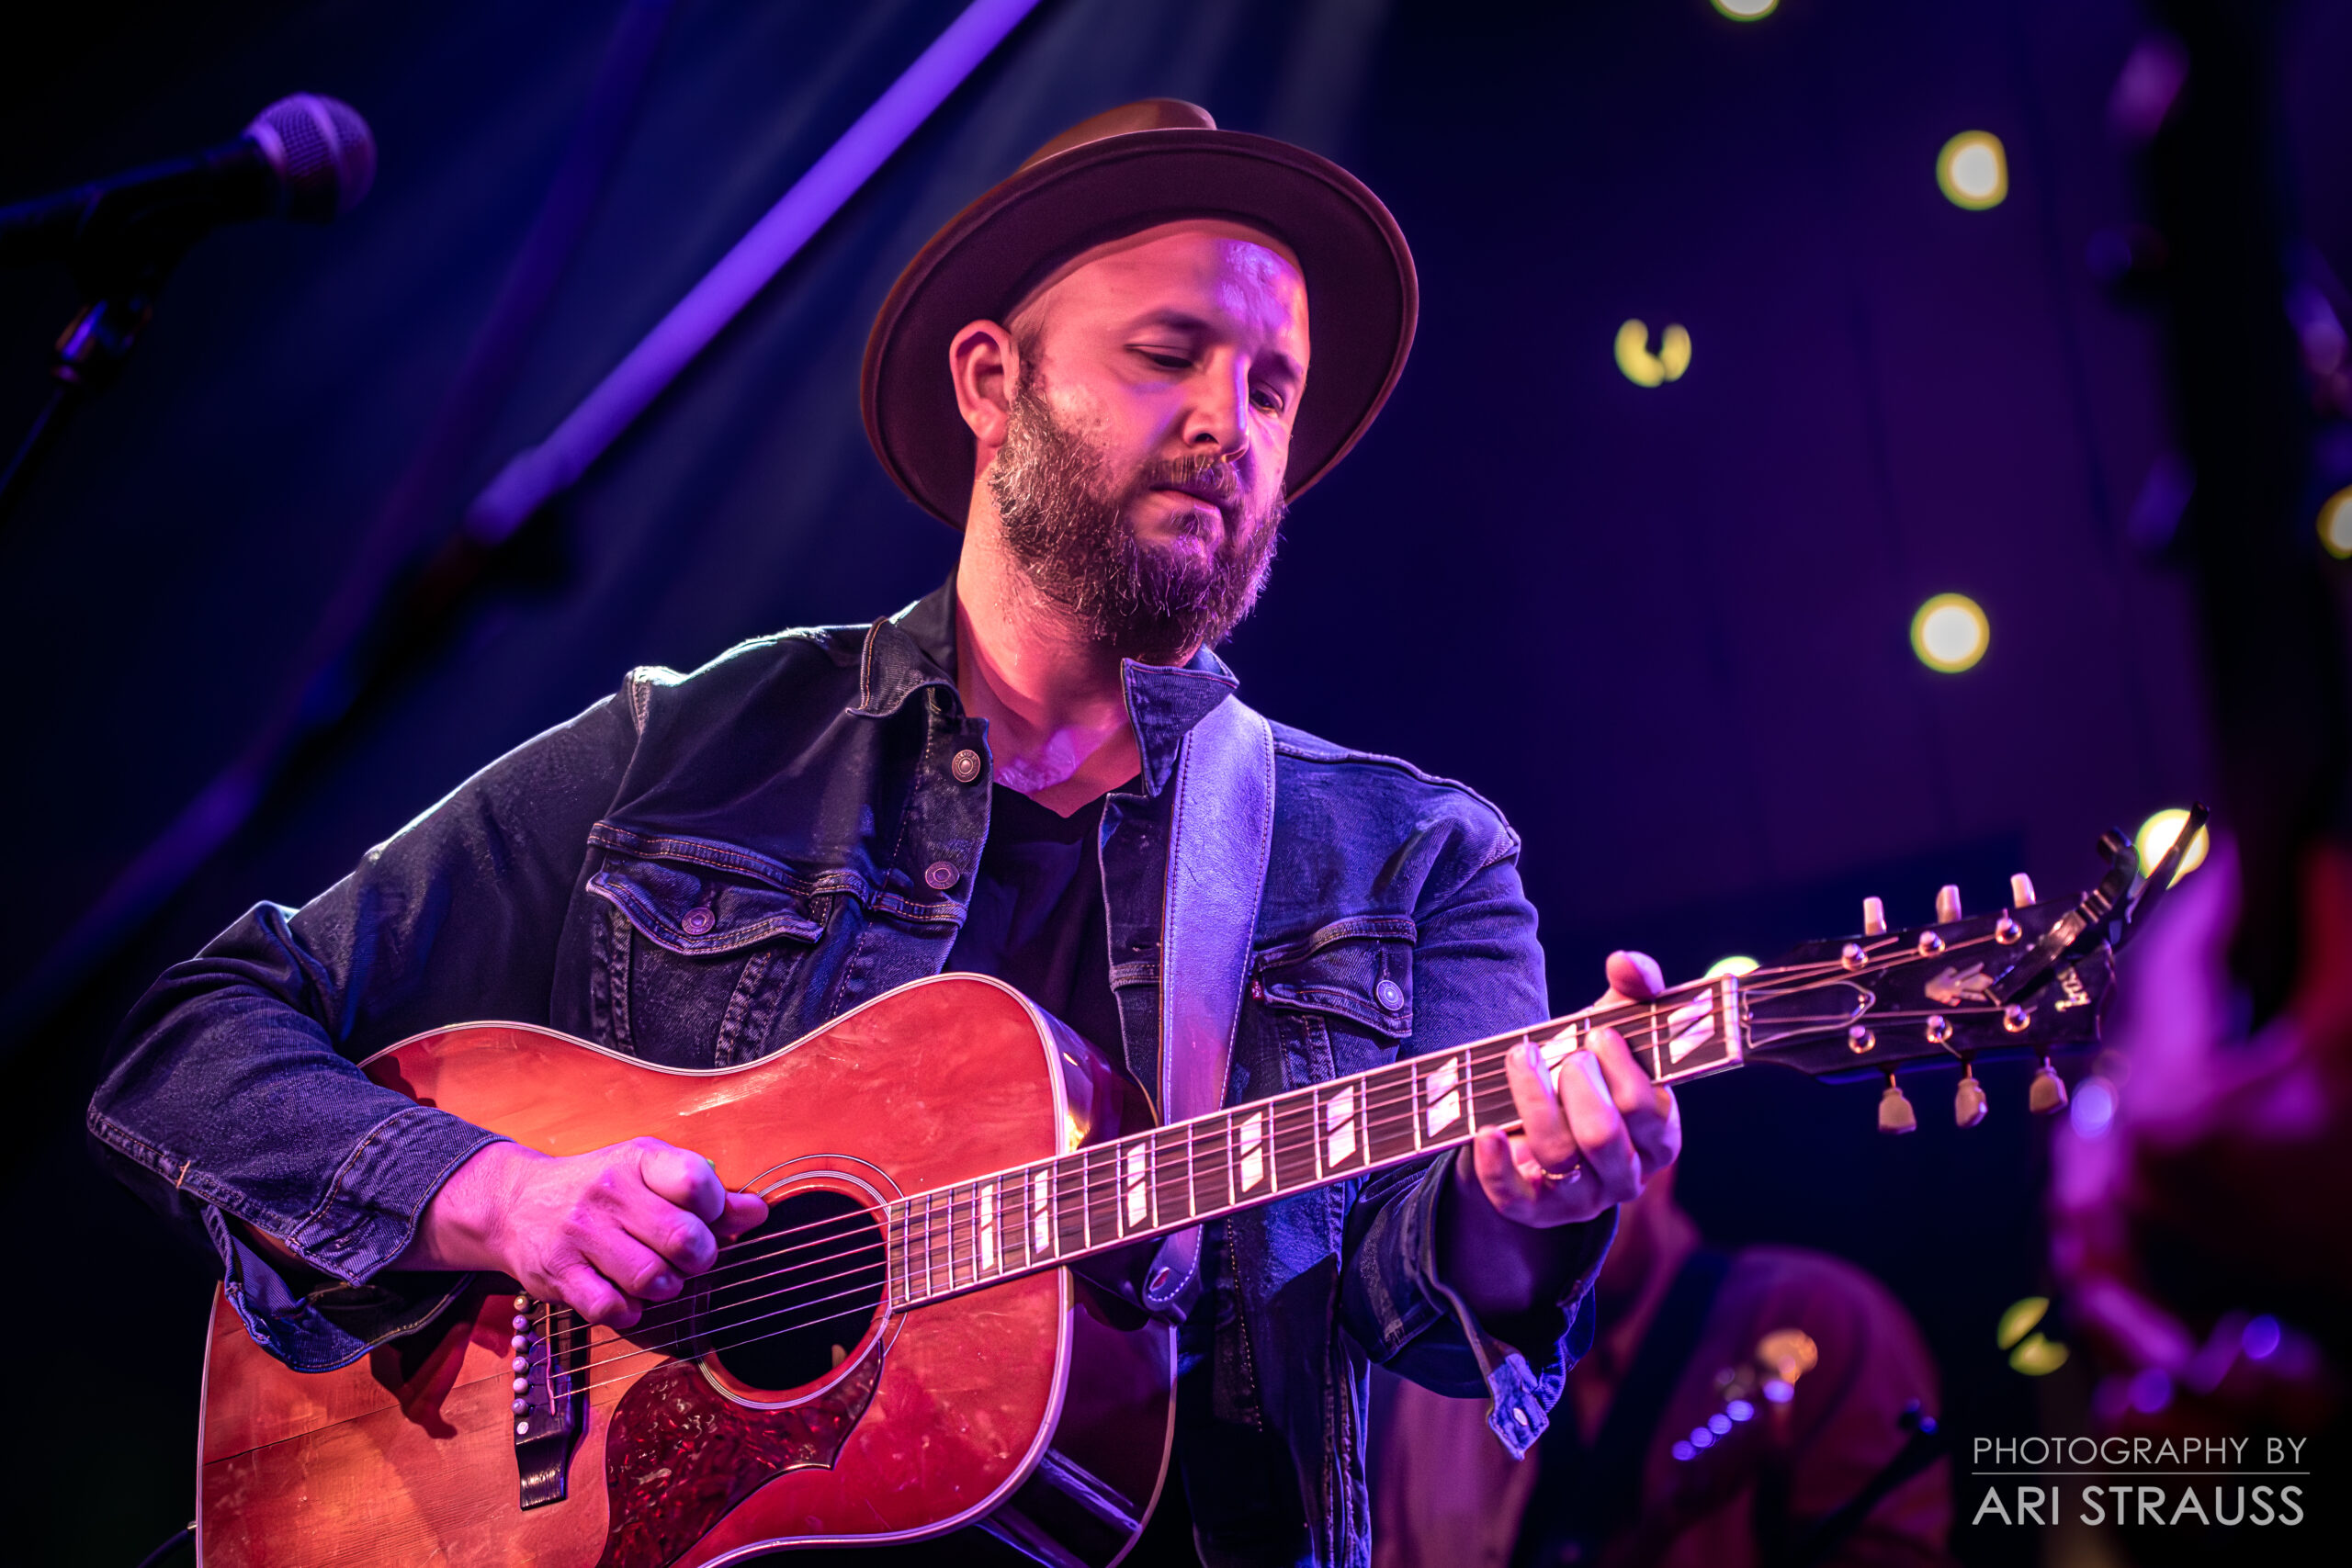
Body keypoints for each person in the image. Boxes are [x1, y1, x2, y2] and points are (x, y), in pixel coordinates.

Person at [88, 101, 1680, 1567]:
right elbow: (196, 1039)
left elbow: (1423, 1299)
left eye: (1271, 387)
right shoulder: (693, 747)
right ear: (992, 382)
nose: (1232, 421)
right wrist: (500, 1195)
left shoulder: (1414, 857)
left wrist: (1531, 1207)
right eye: (1168, 353)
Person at [1374, 1167, 1951, 1568]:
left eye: (1564, 1160)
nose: (1528, 1197)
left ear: (1656, 1154)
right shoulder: (1432, 1387)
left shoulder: (1823, 1316)